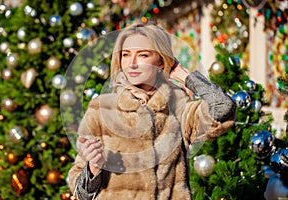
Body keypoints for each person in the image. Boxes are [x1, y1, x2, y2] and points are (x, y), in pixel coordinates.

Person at [68, 22, 236, 200]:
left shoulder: (177, 105)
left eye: (143, 55)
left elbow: (223, 107)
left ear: (161, 61)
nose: (132, 64)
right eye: (126, 55)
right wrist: (93, 168)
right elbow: (81, 193)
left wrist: (186, 77)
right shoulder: (101, 108)